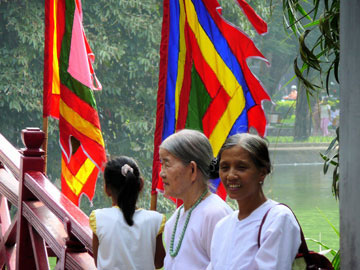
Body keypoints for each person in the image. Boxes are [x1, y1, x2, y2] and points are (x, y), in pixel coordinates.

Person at [207, 133, 301, 270]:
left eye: (241, 167)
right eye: (225, 168)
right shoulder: (223, 226)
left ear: (262, 173)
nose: (231, 175)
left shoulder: (278, 219)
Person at [160, 129, 233, 270]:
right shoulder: (174, 220)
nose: (162, 173)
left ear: (192, 170)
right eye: (161, 164)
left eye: (167, 164)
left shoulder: (215, 214)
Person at [90, 156, 166, 270]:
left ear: (107, 189)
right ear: (140, 185)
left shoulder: (99, 218)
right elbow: (159, 262)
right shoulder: (155, 220)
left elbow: (98, 261)